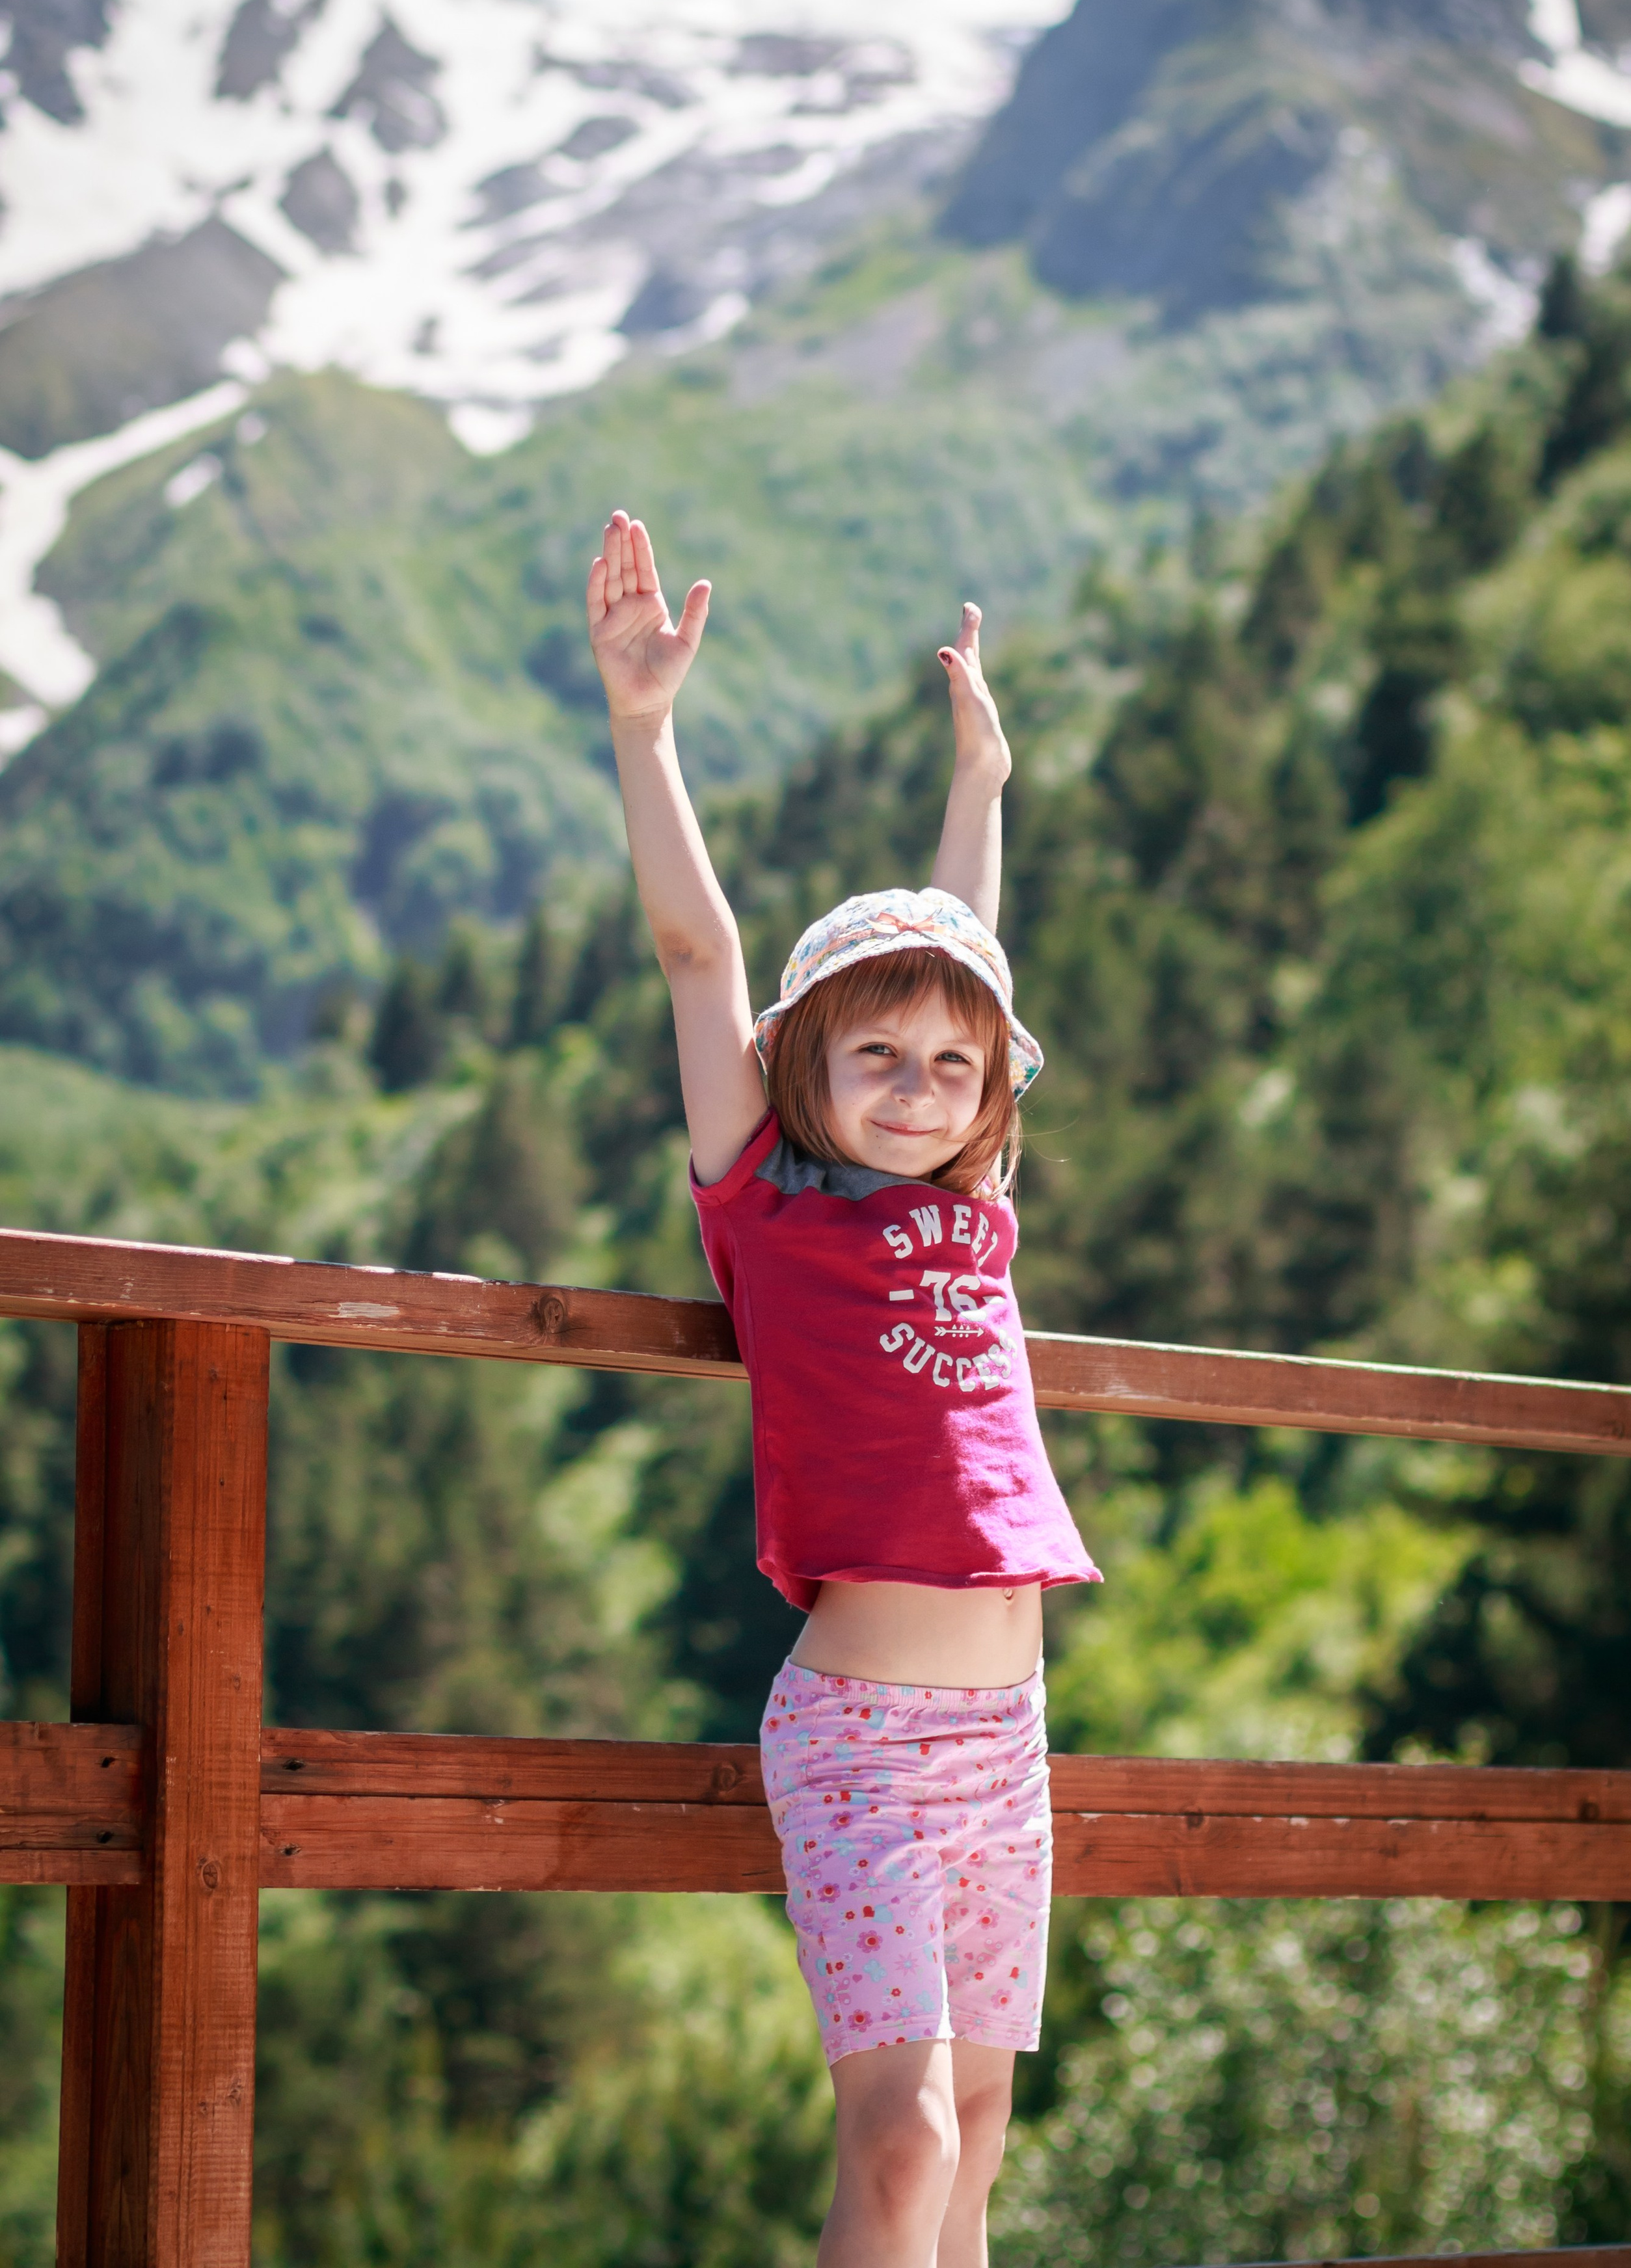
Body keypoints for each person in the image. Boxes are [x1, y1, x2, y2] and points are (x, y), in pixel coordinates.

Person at [586, 509, 1100, 2268]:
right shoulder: (768, 1199)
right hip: (868, 1743)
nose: (917, 1084)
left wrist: (987, 785)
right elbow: (698, 958)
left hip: (1005, 1742)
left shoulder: (974, 1208)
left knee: (971, 2162)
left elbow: (970, 952)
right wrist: (647, 734)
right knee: (901, 2144)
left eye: (952, 1066)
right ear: (800, 1066)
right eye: (870, 1053)